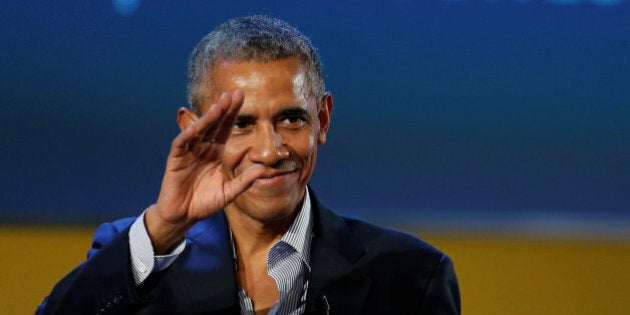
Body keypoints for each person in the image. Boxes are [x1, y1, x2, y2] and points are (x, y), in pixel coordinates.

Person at [36, 15, 460, 315]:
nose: (270, 150)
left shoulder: (410, 275)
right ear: (194, 129)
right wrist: (165, 227)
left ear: (322, 120)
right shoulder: (137, 257)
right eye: (240, 124)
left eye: (291, 118)